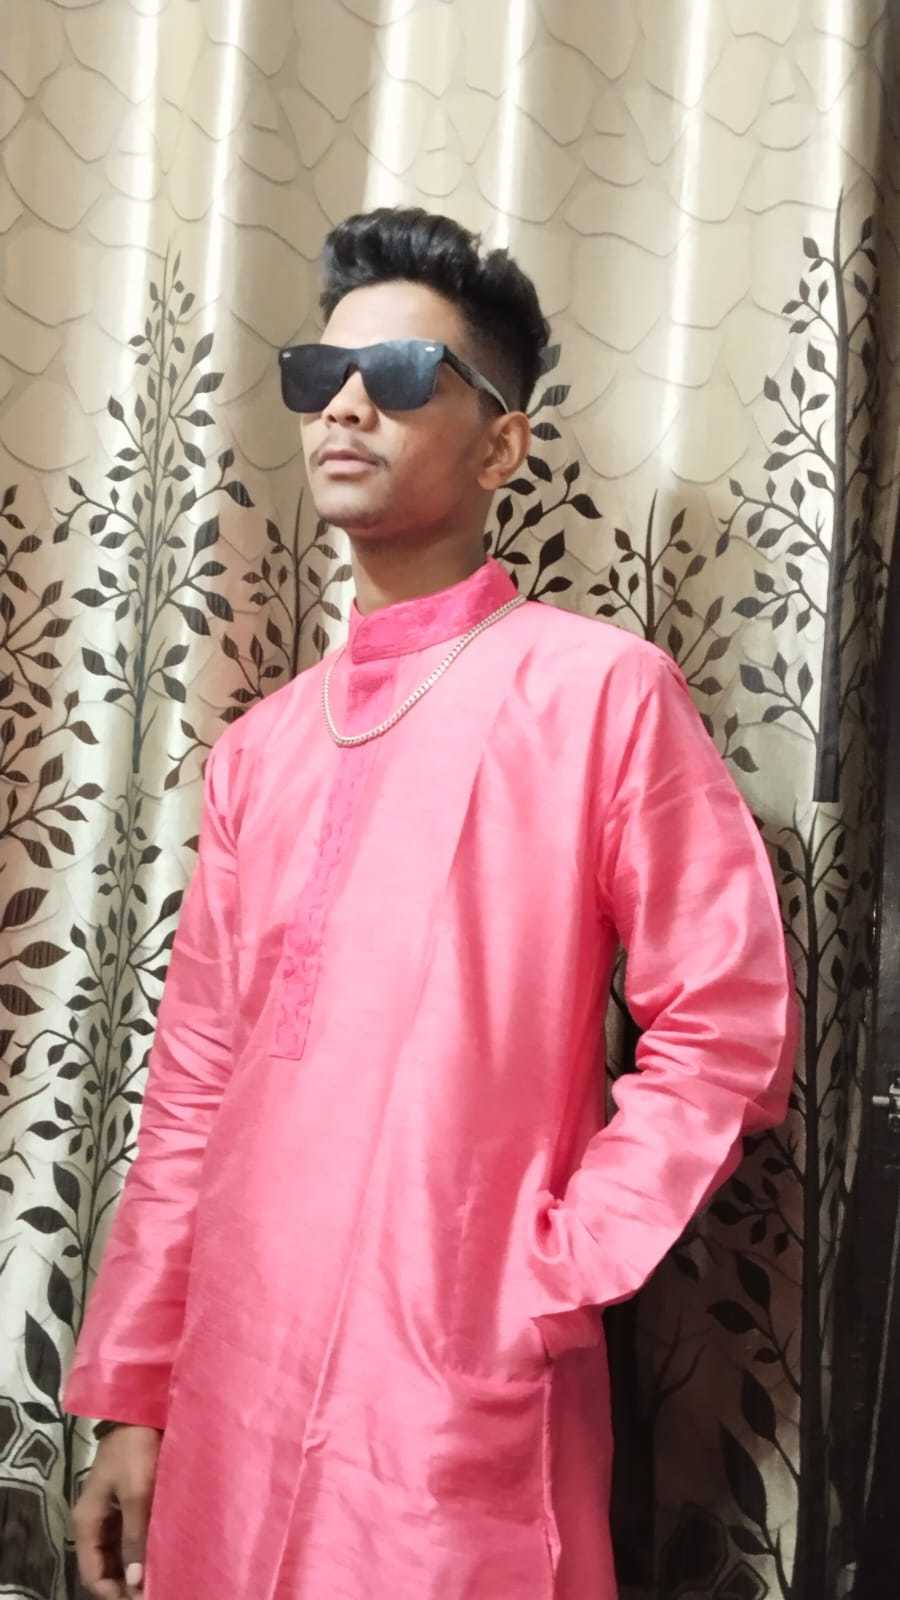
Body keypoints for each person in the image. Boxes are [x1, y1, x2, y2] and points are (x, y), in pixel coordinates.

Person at [64, 207, 797, 1600]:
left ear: (501, 445)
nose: (345, 406)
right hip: (229, 1385)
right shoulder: (262, 749)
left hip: (456, 1393)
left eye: (400, 377)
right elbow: (195, 1088)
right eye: (318, 375)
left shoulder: (598, 694)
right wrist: (132, 1398)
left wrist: (551, 1270)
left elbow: (728, 1027)